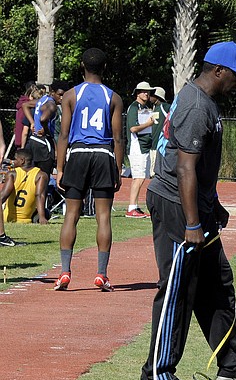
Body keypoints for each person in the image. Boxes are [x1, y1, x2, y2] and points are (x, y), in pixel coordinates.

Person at [139, 41, 236, 380]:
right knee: (178, 291)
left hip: (196, 207)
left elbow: (200, 172)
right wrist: (191, 223)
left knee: (218, 286)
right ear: (218, 70)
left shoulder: (207, 103)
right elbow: (185, 168)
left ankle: (235, 368)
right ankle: (157, 374)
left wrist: (211, 206)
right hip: (175, 205)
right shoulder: (195, 105)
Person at [54, 47, 125, 292]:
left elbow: (63, 134)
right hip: (104, 155)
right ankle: (101, 274)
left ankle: (64, 272)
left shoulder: (71, 95)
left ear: (82, 66)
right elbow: (118, 138)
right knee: (103, 216)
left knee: (71, 214)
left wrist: (59, 168)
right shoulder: (113, 97)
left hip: (78, 153)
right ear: (104, 68)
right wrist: (117, 168)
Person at [124, 81, 156, 218]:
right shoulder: (133, 107)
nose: (146, 93)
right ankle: (131, 207)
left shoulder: (145, 107)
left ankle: (135, 206)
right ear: (137, 93)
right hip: (137, 146)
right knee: (138, 177)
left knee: (141, 176)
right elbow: (133, 128)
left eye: (148, 91)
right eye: (143, 91)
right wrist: (148, 123)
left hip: (144, 146)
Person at [1, 147, 49, 225]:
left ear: (22, 161)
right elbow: (39, 196)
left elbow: (3, 195)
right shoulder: (41, 175)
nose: (13, 162)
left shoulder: (12, 174)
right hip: (26, 220)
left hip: (7, 218)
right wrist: (42, 217)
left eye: (15, 159)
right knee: (47, 212)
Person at [23, 86, 58, 176]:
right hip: (43, 142)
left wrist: (32, 122)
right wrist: (45, 129)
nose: (61, 98)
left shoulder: (43, 99)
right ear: (53, 92)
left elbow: (25, 105)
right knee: (43, 176)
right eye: (60, 95)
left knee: (31, 174)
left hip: (33, 139)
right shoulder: (51, 103)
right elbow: (43, 119)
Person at [149, 86, 170, 176]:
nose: (149, 97)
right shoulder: (153, 108)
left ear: (158, 97)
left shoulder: (164, 107)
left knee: (156, 172)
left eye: (152, 95)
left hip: (160, 144)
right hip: (152, 143)